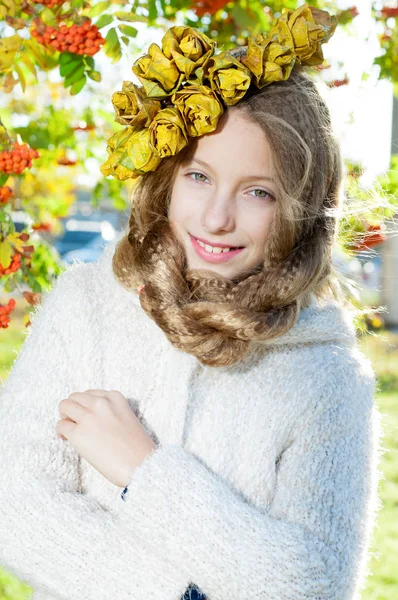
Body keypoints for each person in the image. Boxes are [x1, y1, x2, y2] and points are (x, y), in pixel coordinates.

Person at [0, 5, 385, 600]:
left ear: (299, 209)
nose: (216, 217)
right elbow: (16, 507)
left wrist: (143, 472)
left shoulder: (325, 373)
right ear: (168, 176)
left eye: (257, 192)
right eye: (199, 177)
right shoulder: (90, 305)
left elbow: (313, 583)